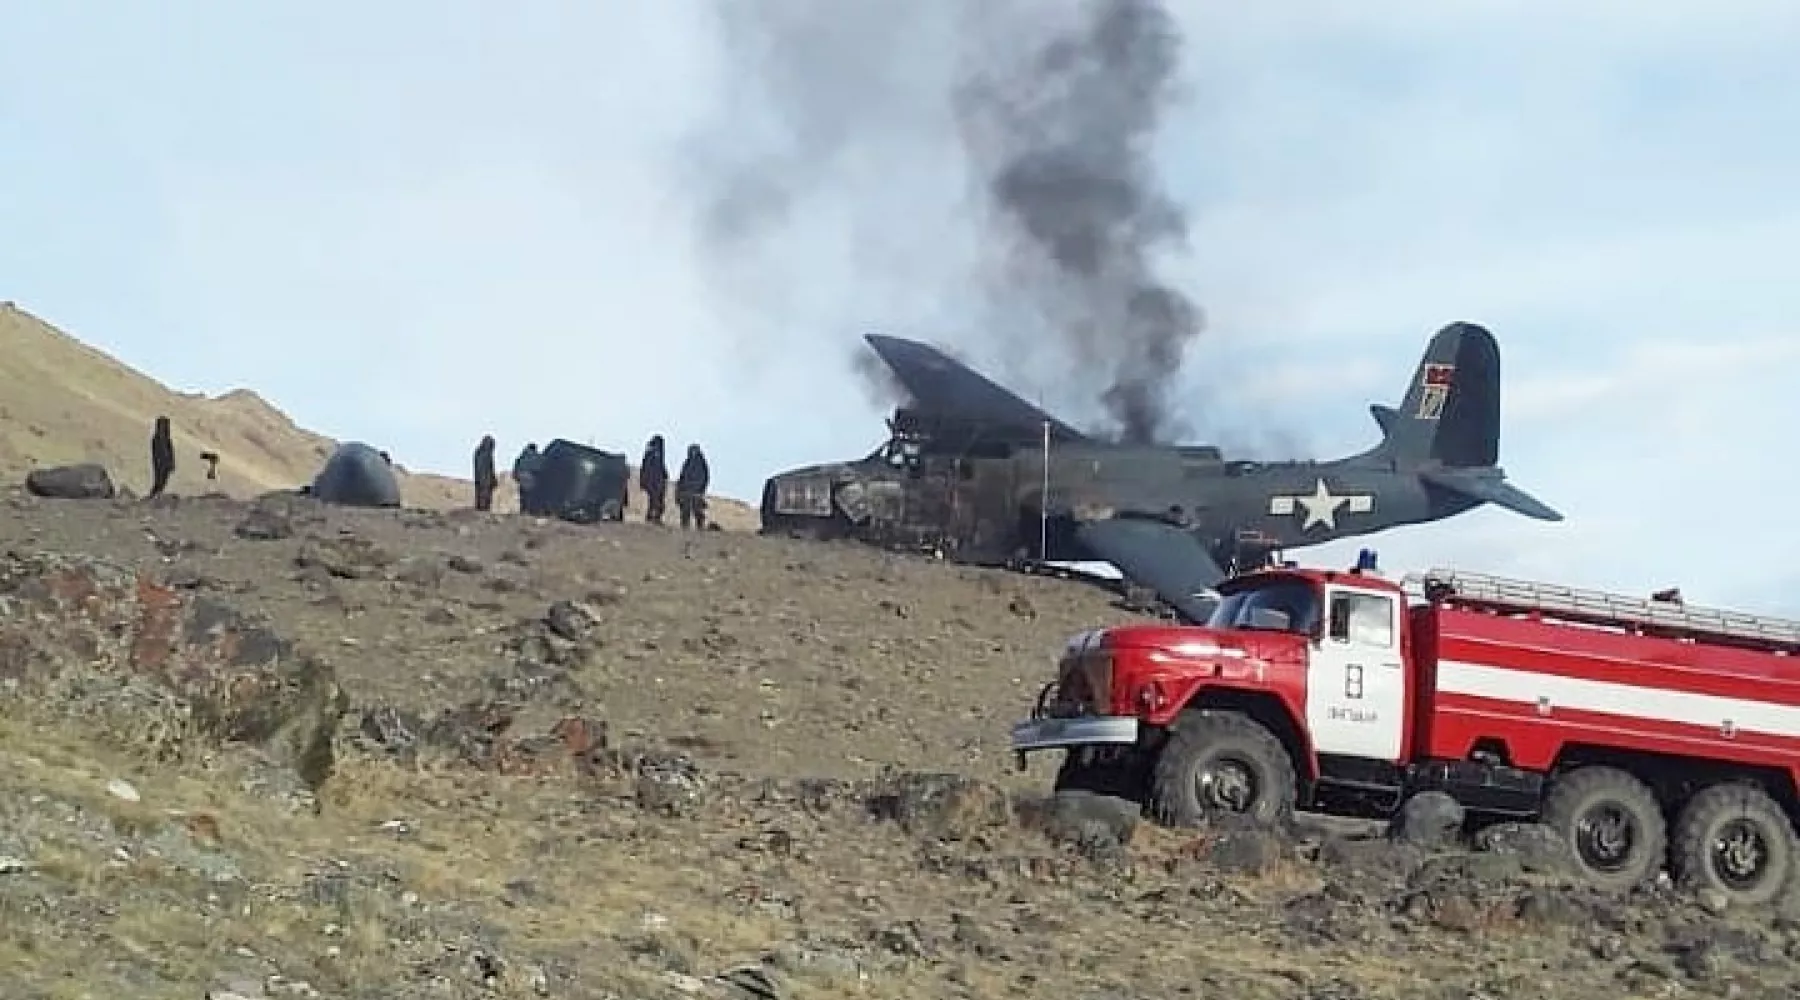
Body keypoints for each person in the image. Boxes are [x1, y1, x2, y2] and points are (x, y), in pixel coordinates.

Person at [675, 443, 710, 530]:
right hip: (686, 491)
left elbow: (705, 478)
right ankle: (685, 527)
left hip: (696, 492)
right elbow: (682, 476)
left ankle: (700, 527)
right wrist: (679, 489)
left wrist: (700, 490)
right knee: (685, 511)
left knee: (697, 511)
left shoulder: (701, 463)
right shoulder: (687, 463)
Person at [639, 435, 669, 525]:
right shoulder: (652, 453)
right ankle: (653, 517)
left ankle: (654, 517)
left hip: (657, 481)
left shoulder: (656, 453)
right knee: (655, 500)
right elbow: (646, 468)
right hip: (653, 482)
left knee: (656, 500)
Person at [148, 416, 175, 498]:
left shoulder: (167, 439)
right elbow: (156, 453)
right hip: (160, 464)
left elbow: (170, 451)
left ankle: (156, 496)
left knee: (163, 481)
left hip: (165, 464)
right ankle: (154, 496)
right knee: (159, 481)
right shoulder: (156, 439)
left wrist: (171, 462)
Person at [512, 442, 542, 515]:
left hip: (521, 478)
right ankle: (529, 512)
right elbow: (539, 468)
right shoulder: (537, 457)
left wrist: (516, 478)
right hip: (531, 478)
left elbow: (515, 468)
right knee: (529, 496)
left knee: (522, 497)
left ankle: (522, 511)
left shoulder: (521, 457)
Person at [472, 435, 498, 512]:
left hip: (481, 479)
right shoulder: (485, 454)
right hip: (484, 480)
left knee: (482, 496)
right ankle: (483, 510)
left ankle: (482, 509)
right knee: (484, 497)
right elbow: (486, 468)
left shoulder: (479, 452)